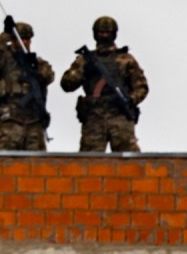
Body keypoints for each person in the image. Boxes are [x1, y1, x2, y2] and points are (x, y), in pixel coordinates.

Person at [60, 16, 148, 152]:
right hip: (94, 116)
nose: (104, 36)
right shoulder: (85, 60)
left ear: (114, 34)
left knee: (129, 163)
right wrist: (84, 71)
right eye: (101, 33)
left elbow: (141, 87)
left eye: (108, 33)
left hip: (120, 115)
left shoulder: (126, 60)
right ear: (95, 34)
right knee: (89, 164)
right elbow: (66, 85)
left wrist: (131, 100)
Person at [0, 15, 54, 151]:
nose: (24, 42)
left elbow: (49, 76)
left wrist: (35, 68)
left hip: (34, 119)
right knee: (6, 162)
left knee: (36, 165)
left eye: (27, 39)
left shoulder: (37, 62)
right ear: (13, 40)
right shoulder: (5, 60)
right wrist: (5, 33)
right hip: (11, 118)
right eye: (20, 38)